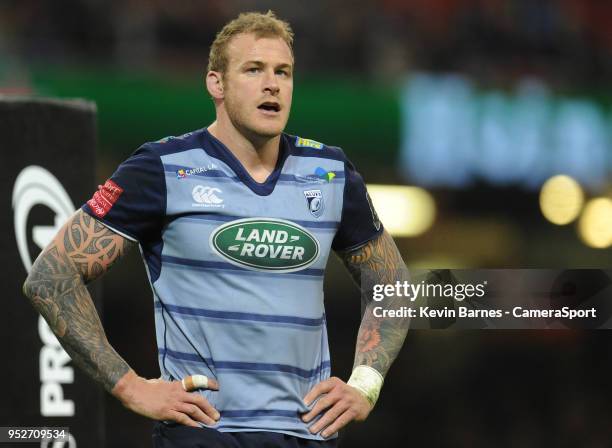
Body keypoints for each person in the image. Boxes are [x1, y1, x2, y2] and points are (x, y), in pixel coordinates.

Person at [23, 10, 410, 448]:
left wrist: (365, 383)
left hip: (308, 435)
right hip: (204, 435)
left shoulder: (331, 172)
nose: (272, 84)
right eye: (254, 69)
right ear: (216, 83)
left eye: (283, 72)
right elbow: (51, 277)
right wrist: (129, 387)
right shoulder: (162, 168)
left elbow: (392, 279)